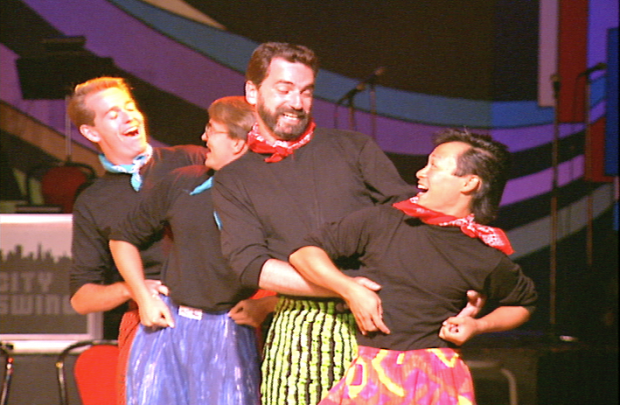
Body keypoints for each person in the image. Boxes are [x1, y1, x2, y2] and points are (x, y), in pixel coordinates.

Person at [212, 42, 482, 405]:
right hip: (302, 336)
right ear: (252, 91)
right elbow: (251, 266)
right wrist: (345, 287)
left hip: (383, 325)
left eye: (306, 91)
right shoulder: (235, 179)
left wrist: (459, 272)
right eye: (284, 89)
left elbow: (412, 215)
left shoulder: (353, 148)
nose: (297, 102)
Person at [289, 129, 538, 404]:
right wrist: (349, 289)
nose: (421, 173)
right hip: (368, 374)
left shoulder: (484, 256)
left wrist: (478, 326)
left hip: (435, 378)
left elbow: (522, 304)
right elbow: (304, 252)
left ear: (468, 183)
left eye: (434, 165)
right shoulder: (383, 221)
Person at [109, 96, 265, 405]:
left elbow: (303, 262)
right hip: (168, 327)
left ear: (237, 143)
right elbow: (121, 238)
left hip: (229, 333)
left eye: (212, 130)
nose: (203, 137)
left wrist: (268, 305)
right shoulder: (183, 182)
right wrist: (142, 297)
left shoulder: (270, 197)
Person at [67, 76, 207, 403]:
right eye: (113, 114)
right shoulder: (93, 201)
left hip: (215, 312)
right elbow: (81, 297)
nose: (129, 117)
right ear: (91, 132)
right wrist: (133, 288)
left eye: (130, 107)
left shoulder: (191, 160)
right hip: (151, 325)